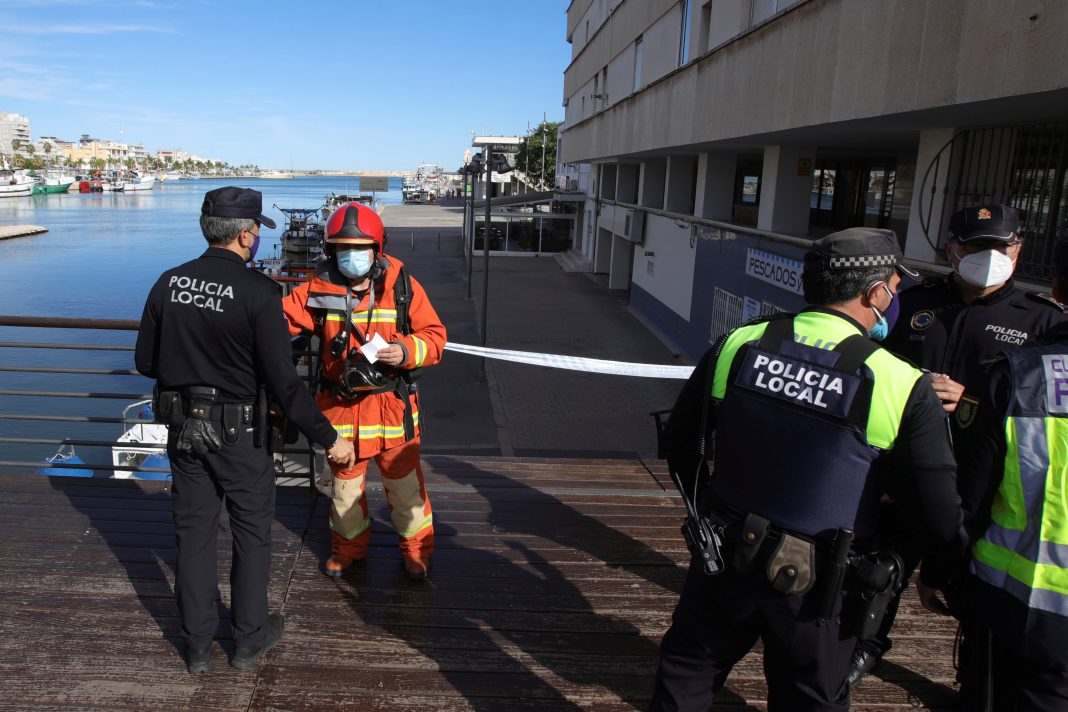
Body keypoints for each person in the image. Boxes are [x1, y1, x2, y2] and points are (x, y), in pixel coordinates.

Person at [648, 227, 963, 711]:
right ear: (875, 292)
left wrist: (709, 509)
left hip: (725, 554)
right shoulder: (901, 383)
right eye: (895, 290)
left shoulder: (740, 342)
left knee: (686, 675)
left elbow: (680, 443)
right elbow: (939, 514)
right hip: (825, 585)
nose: (894, 299)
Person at [135, 187, 356, 675]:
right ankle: (248, 641)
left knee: (192, 537)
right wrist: (330, 438)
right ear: (245, 235)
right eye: (256, 230)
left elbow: (144, 361)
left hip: (183, 432)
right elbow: (286, 386)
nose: (257, 238)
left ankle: (195, 648)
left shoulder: (167, 283)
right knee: (251, 535)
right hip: (240, 435)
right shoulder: (259, 294)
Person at [848, 204, 1065, 687]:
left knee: (974, 582)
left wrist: (970, 399)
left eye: (1001, 246)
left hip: (982, 476)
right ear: (952, 248)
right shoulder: (914, 304)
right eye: (976, 246)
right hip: (902, 462)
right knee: (879, 568)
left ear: (1018, 250)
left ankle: (975, 675)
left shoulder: (1039, 320)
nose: (989, 256)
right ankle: (865, 645)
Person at [918, 238, 1068, 711]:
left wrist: (940, 570)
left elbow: (974, 488)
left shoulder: (1019, 375)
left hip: (1029, 614)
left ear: (1057, 287)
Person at [282, 201, 446, 581]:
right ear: (330, 250)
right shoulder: (316, 289)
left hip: (392, 410)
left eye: (359, 248)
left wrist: (406, 351)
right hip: (340, 410)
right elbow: (279, 323)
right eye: (342, 248)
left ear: (378, 249)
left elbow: (435, 338)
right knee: (344, 492)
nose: (351, 255)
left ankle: (416, 552)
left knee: (406, 491)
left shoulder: (403, 286)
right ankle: (348, 549)